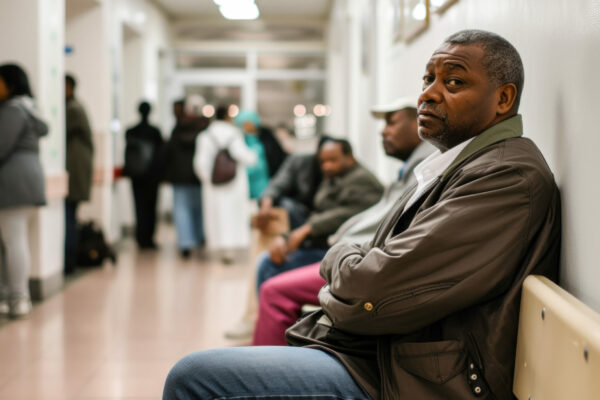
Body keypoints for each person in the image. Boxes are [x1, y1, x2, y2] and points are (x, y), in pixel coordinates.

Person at [163, 30, 561, 400]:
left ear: (503, 99)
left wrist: (338, 257)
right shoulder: (458, 165)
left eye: (453, 83)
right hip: (388, 354)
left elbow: (370, 289)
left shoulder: (505, 177)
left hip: (411, 377)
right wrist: (352, 273)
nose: (428, 95)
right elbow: (375, 272)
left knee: (193, 377)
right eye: (427, 80)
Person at [253, 97, 436, 345]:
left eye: (391, 122)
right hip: (345, 254)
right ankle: (267, 329)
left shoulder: (426, 170)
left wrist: (335, 245)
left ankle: (266, 366)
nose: (383, 131)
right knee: (268, 264)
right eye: (323, 162)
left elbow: (375, 228)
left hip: (356, 263)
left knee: (273, 289)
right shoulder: (410, 170)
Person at [255, 138, 383, 291]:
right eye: (323, 162)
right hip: (326, 245)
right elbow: (319, 212)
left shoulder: (361, 180)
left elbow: (348, 213)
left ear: (349, 158)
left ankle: (270, 311)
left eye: (332, 160)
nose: (326, 166)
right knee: (267, 258)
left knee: (267, 265)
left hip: (340, 253)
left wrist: (307, 229)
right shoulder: (335, 176)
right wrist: (286, 238)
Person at [0, 64, 48, 317]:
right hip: (29, 181)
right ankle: (13, 296)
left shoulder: (12, 110)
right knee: (14, 240)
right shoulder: (29, 107)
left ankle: (17, 297)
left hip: (13, 183)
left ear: (11, 83)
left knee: (13, 240)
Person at [194, 105, 258, 263]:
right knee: (232, 215)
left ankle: (222, 249)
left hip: (214, 185)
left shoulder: (205, 136)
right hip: (233, 183)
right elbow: (243, 156)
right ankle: (230, 250)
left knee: (217, 216)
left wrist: (209, 179)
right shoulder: (234, 134)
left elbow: (200, 163)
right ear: (228, 117)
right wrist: (254, 156)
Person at [164, 99, 208, 259]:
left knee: (181, 209)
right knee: (199, 209)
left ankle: (185, 243)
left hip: (180, 176)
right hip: (198, 177)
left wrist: (167, 174)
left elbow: (168, 151)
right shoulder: (204, 128)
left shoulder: (178, 128)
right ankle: (199, 238)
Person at [256, 136, 328, 231]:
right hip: (301, 212)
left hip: (323, 217)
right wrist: (266, 202)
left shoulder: (342, 175)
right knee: (286, 204)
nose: (327, 166)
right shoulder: (300, 162)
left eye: (332, 160)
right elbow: (279, 183)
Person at [124, 101, 165, 249]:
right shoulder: (155, 132)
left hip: (137, 176)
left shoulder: (130, 131)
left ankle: (141, 237)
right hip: (151, 177)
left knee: (139, 206)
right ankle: (149, 237)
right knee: (151, 207)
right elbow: (161, 155)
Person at [64, 73, 94, 275]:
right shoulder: (76, 107)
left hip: (74, 173)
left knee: (69, 217)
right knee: (70, 216)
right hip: (78, 173)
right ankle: (69, 260)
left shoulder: (72, 110)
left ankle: (69, 261)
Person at [234, 111, 287, 199]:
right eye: (243, 124)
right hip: (247, 179)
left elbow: (276, 155)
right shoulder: (240, 138)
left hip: (264, 178)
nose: (245, 127)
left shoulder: (266, 135)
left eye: (247, 123)